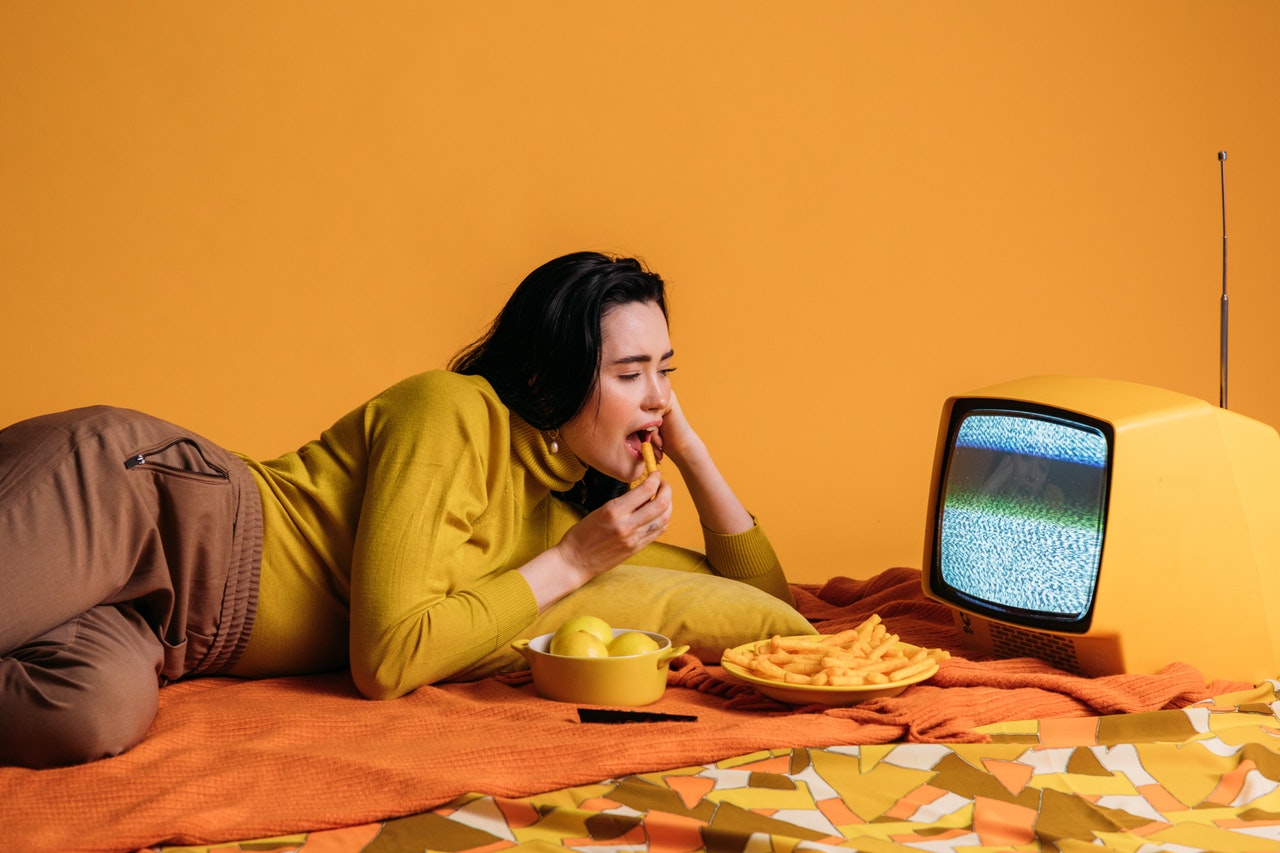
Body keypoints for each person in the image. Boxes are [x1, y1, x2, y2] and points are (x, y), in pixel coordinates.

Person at [0, 251, 796, 769]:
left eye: (667, 371)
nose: (657, 397)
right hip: (135, 503)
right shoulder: (449, 412)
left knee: (89, 716)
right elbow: (384, 660)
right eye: (630, 373)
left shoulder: (566, 514)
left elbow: (768, 605)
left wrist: (690, 451)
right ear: (552, 377)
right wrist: (574, 563)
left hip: (160, 628)